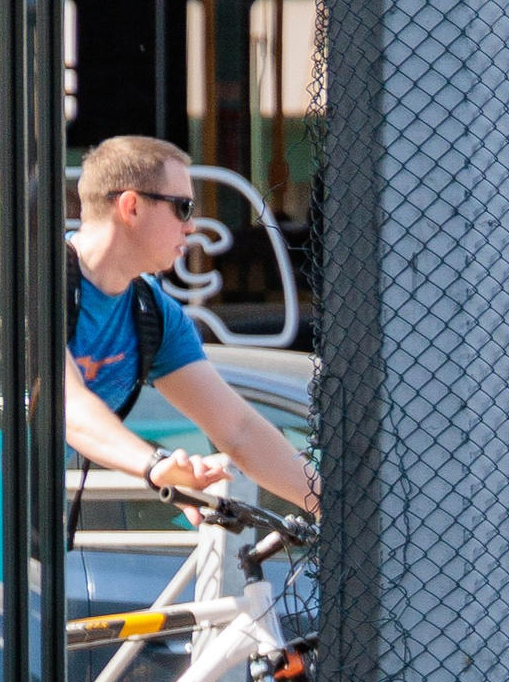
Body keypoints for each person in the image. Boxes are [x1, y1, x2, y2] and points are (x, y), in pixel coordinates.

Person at [64, 136, 320, 513]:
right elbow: (66, 407)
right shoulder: (39, 282)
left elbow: (240, 431)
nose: (191, 226)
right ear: (131, 207)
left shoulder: (153, 313)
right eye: (183, 208)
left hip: (19, 525)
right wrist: (156, 466)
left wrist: (334, 511)